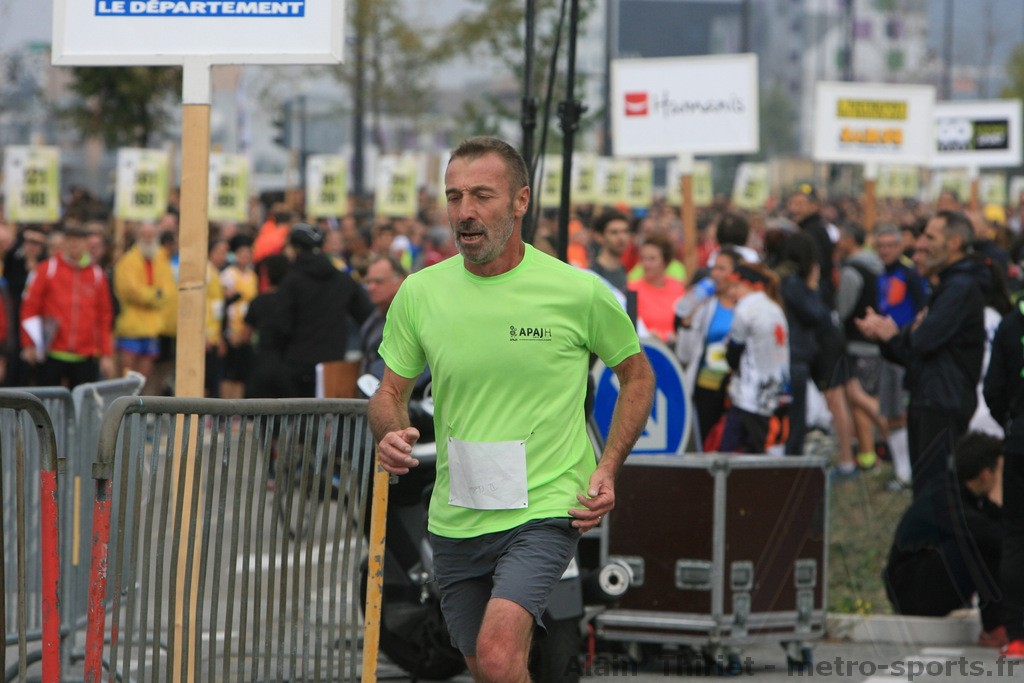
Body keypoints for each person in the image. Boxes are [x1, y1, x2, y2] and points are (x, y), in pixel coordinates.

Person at [369, 136, 655, 681]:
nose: (465, 212)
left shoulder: (577, 292)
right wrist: (390, 432)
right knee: (489, 668)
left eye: (482, 195)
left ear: (521, 200)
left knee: (499, 656)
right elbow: (389, 393)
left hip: (546, 507)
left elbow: (637, 375)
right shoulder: (420, 293)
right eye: (454, 197)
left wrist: (608, 466)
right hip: (458, 514)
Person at [857, 210, 987, 498]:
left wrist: (898, 335)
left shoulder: (960, 287)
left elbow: (923, 341)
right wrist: (889, 337)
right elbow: (914, 347)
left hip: (942, 401)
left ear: (954, 243)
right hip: (928, 395)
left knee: (936, 494)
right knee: (926, 494)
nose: (921, 245)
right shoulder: (946, 286)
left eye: (930, 237)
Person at [883, 432, 1020, 649]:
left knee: (991, 543)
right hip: (910, 593)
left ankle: (1000, 623)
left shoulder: (964, 495)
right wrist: (999, 496)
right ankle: (994, 627)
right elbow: (997, 537)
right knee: (982, 545)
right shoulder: (945, 497)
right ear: (986, 474)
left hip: (923, 584)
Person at [274, 222, 373, 397]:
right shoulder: (342, 280)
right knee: (330, 412)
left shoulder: (291, 281)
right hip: (333, 363)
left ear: (296, 249)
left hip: (297, 363)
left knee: (299, 413)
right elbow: (366, 315)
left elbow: (281, 325)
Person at [19, 225, 115, 387]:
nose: (74, 244)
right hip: (52, 351)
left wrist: (106, 353)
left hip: (85, 354)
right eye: (70, 240)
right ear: (64, 243)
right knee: (49, 398)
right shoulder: (47, 269)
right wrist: (28, 343)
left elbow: (104, 315)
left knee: (81, 399)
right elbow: (30, 307)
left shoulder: (97, 275)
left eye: (78, 241)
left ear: (86, 244)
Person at [982, 295, 1024, 657]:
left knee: (1016, 538)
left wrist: (1012, 425)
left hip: (1019, 444)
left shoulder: (1010, 326)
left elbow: (992, 390)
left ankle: (1018, 636)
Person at [873, 223, 928, 491]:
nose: (885, 250)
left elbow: (921, 310)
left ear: (900, 246)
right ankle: (902, 468)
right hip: (888, 349)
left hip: (904, 350)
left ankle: (906, 472)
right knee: (890, 410)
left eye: (890, 245)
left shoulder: (909, 275)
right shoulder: (881, 275)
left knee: (899, 411)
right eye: (880, 246)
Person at [719, 263, 790, 454]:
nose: (731, 293)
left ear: (750, 285)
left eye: (735, 286)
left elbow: (733, 354)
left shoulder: (745, 309)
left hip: (749, 395)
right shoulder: (775, 308)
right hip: (776, 392)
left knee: (729, 454)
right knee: (764, 451)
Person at [675, 248, 739, 450]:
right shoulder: (704, 305)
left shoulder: (746, 307)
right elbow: (684, 355)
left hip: (735, 392)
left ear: (736, 274)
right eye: (714, 268)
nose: (715, 274)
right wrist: (686, 324)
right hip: (705, 390)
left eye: (722, 269)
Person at [113, 222, 176, 390]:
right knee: (126, 376)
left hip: (152, 328)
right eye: (145, 235)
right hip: (130, 326)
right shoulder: (127, 261)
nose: (148, 238)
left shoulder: (162, 261)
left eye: (151, 235)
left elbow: (169, 291)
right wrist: (155, 296)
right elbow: (131, 291)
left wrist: (149, 296)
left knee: (145, 377)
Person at [628, 232, 685, 344]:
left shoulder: (678, 288)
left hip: (674, 348)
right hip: (644, 347)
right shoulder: (632, 289)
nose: (646, 264)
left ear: (665, 261)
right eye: (643, 258)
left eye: (652, 259)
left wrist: (669, 337)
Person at [359, 254, 406, 376]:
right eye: (368, 281)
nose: (371, 287)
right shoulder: (377, 313)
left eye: (378, 281)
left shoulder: (406, 318)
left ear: (399, 281)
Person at [588, 209, 630, 293]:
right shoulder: (592, 275)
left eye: (625, 231)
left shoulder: (626, 271)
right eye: (614, 232)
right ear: (599, 236)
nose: (621, 238)